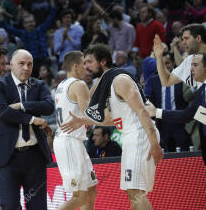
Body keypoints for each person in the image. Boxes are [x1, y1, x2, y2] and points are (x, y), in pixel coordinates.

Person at [62, 46, 163, 210]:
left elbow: (142, 111)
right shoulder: (107, 83)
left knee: (136, 191)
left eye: (90, 61)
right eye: (85, 62)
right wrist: (82, 120)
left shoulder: (119, 80)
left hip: (140, 134)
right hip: (131, 136)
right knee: (133, 192)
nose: (86, 66)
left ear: (102, 62)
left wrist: (154, 144)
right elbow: (111, 119)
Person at [0, 49, 55, 209]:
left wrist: (22, 105)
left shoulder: (39, 84)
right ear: (11, 64)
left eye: (30, 64)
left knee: (38, 206)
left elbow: (49, 106)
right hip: (8, 156)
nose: (26, 68)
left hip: (35, 155)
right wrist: (33, 119)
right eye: (21, 64)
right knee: (9, 206)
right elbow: (2, 112)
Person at [54, 51, 97, 210]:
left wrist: (95, 88)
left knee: (91, 191)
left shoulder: (62, 85)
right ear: (75, 66)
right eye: (84, 63)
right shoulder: (79, 85)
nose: (87, 67)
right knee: (79, 197)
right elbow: (90, 115)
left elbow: (81, 103)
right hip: (69, 142)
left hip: (70, 140)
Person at [146, 52, 206, 165]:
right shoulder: (200, 92)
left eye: (195, 65)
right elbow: (186, 115)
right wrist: (156, 112)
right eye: (191, 65)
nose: (191, 69)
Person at [154, 23, 206, 88]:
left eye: (186, 38)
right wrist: (159, 57)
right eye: (182, 39)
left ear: (198, 38)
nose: (183, 42)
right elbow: (166, 81)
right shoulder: (190, 60)